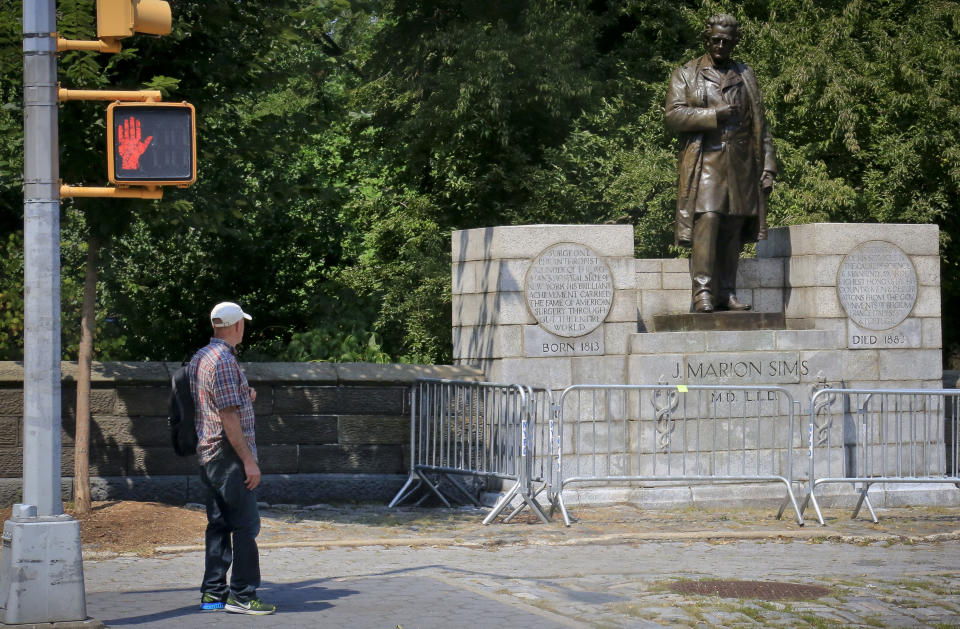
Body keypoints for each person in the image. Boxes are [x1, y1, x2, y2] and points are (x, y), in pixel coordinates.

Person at [665, 13, 776, 313]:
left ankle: (726, 292)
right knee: (709, 220)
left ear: (735, 42)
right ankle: (702, 292)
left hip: (740, 164)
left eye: (726, 41)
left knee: (732, 227)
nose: (720, 45)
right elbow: (673, 115)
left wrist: (767, 164)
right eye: (715, 39)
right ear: (707, 38)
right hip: (706, 162)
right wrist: (713, 116)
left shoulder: (745, 75)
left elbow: (760, 125)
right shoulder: (687, 74)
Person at [188, 301, 275, 615]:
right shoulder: (224, 360)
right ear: (237, 326)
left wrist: (244, 393)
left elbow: (213, 400)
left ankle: (213, 594)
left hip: (209, 452)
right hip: (228, 456)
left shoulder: (202, 356)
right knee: (246, 526)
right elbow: (228, 417)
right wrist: (249, 461)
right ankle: (243, 594)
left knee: (219, 524)